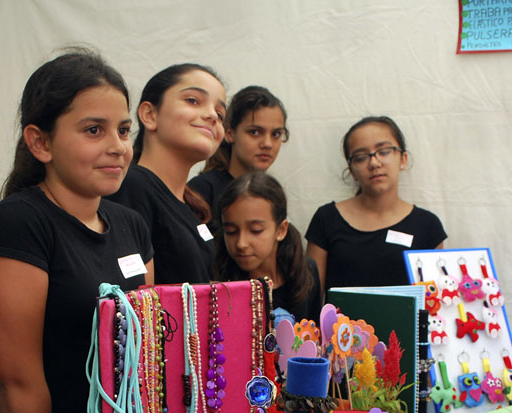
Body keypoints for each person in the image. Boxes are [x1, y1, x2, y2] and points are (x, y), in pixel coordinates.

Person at [0, 51, 154, 413]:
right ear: (40, 142)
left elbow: (142, 352)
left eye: (122, 129)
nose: (118, 146)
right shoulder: (18, 225)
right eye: (94, 130)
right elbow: (17, 385)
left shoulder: (131, 224)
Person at [108, 63, 225, 285]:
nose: (212, 116)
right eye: (193, 100)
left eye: (220, 114)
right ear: (149, 114)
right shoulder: (132, 186)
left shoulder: (191, 205)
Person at [306, 116, 446, 290]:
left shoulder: (427, 225)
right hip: (341, 319)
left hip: (404, 318)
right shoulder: (326, 218)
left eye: (384, 151)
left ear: (403, 159)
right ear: (352, 170)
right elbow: (310, 298)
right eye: (360, 157)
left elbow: (436, 301)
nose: (374, 162)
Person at [214, 171, 321, 324]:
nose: (241, 243)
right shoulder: (219, 282)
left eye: (256, 230)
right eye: (231, 231)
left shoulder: (306, 272)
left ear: (281, 230)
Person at [189, 85, 288, 232]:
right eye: (254, 132)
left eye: (276, 134)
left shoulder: (272, 192)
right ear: (229, 133)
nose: (267, 144)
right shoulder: (203, 189)